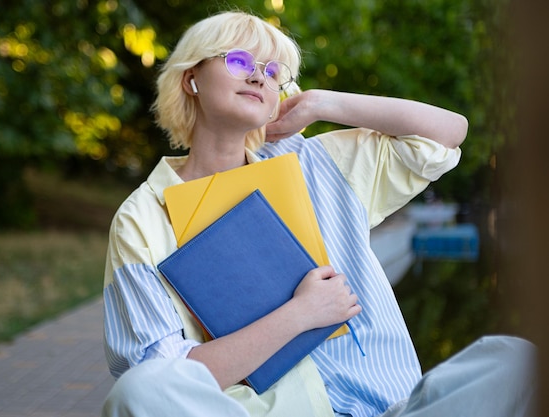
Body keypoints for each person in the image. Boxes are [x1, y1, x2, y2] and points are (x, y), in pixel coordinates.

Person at [100, 10, 536, 417]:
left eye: (272, 72)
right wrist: (301, 314)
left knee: (518, 362)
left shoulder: (319, 165)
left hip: (393, 407)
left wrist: (321, 104)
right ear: (192, 78)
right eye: (238, 60)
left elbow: (447, 135)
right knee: (139, 390)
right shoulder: (142, 218)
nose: (257, 75)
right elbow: (162, 378)